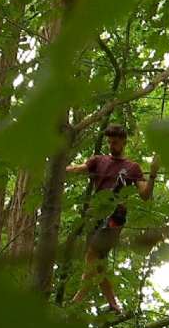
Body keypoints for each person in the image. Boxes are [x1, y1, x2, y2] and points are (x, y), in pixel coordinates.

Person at [65, 124, 159, 314]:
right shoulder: (98, 161)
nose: (111, 145)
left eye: (115, 142)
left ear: (124, 142)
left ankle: (78, 299)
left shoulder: (132, 167)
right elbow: (77, 169)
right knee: (98, 263)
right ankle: (113, 303)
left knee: (91, 254)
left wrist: (154, 174)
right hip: (96, 214)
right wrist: (59, 167)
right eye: (109, 141)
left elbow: (145, 194)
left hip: (115, 217)